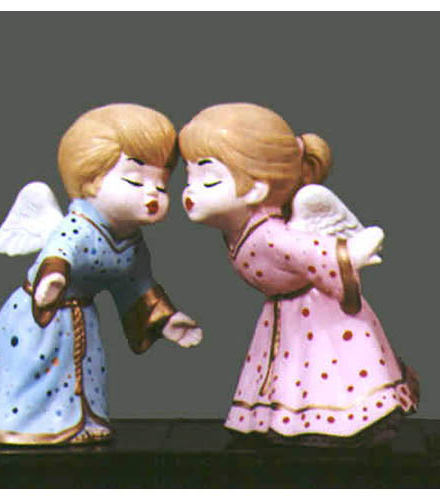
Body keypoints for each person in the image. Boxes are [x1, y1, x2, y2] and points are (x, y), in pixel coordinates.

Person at [0, 103, 202, 445]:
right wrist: (53, 279)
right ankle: (23, 424)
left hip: (81, 319)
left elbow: (137, 286)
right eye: (135, 180)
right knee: (36, 371)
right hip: (39, 316)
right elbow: (58, 254)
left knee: (83, 373)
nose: (152, 195)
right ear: (91, 179)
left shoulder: (131, 243)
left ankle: (82, 422)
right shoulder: (77, 227)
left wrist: (166, 320)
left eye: (161, 186)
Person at [179, 102, 417, 446]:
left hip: (317, 315)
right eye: (189, 177)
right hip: (286, 314)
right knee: (296, 371)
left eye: (209, 179)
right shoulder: (240, 231)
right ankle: (297, 420)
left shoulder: (269, 234)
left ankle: (332, 422)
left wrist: (350, 253)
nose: (189, 190)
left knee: (325, 370)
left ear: (257, 189)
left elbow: (311, 252)